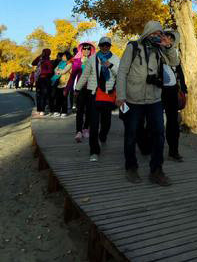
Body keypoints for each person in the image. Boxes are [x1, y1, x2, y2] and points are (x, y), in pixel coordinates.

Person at [116, 20, 174, 186]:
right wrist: (121, 95)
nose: (157, 36)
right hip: (133, 99)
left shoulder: (160, 49)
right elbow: (122, 72)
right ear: (147, 33)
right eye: (154, 33)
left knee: (159, 134)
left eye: (159, 33)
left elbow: (174, 62)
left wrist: (168, 47)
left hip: (154, 98)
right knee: (131, 134)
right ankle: (131, 167)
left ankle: (157, 170)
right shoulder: (133, 47)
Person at [76, 36, 120, 161]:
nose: (105, 47)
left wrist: (110, 66)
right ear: (99, 46)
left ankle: (103, 135)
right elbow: (85, 75)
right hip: (94, 93)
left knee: (106, 122)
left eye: (107, 45)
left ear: (110, 46)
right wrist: (77, 89)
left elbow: (120, 75)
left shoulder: (115, 58)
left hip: (108, 93)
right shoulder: (92, 58)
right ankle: (94, 151)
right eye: (103, 45)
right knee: (93, 123)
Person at [160, 29, 187, 162]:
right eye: (166, 37)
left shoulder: (175, 55)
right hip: (157, 90)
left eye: (171, 38)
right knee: (154, 122)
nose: (168, 40)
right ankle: (148, 147)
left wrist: (184, 89)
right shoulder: (156, 51)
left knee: (173, 123)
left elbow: (180, 73)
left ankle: (173, 151)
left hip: (172, 91)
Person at [68, 42, 96, 141]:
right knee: (80, 110)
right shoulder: (77, 61)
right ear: (81, 50)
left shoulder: (94, 61)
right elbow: (72, 76)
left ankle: (85, 128)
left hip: (91, 89)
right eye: (84, 49)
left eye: (88, 49)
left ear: (91, 50)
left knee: (89, 110)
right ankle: (78, 131)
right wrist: (68, 88)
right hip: (80, 89)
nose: (86, 51)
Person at [32, 48, 53, 116]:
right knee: (38, 94)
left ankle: (42, 110)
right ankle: (38, 109)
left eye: (43, 52)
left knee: (43, 95)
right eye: (42, 52)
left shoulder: (48, 61)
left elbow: (50, 71)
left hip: (44, 79)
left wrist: (42, 72)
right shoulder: (40, 60)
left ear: (46, 53)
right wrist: (39, 56)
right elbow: (33, 63)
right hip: (38, 79)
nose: (42, 53)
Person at [51, 52, 72, 117]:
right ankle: (57, 111)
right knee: (58, 97)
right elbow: (55, 69)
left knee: (64, 98)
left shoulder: (69, 64)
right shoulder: (60, 63)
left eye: (64, 56)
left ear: (67, 57)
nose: (63, 57)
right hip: (58, 82)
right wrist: (57, 72)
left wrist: (58, 72)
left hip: (65, 82)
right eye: (62, 56)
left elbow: (64, 71)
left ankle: (64, 111)